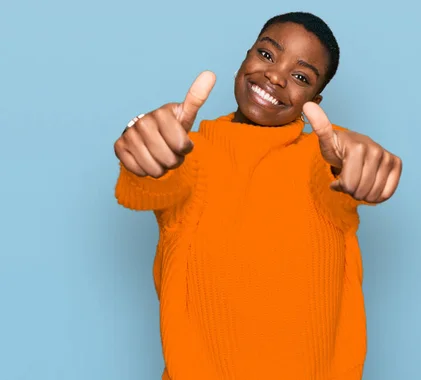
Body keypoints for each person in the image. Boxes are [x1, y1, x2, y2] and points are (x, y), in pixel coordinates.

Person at [113, 11, 402, 380]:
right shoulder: (189, 154)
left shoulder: (322, 162)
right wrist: (141, 144)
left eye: (301, 77)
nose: (275, 76)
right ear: (245, 56)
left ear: (316, 98)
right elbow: (148, 184)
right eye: (267, 54)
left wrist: (364, 161)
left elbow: (344, 167)